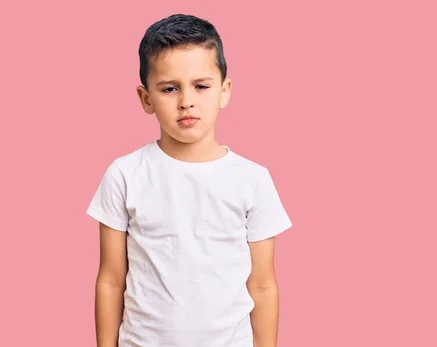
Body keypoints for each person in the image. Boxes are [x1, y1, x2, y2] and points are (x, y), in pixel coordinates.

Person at [86, 13, 293, 347]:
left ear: (224, 91)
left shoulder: (253, 180)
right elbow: (111, 279)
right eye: (170, 88)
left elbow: (263, 285)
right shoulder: (125, 174)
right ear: (146, 98)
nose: (186, 101)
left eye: (201, 86)